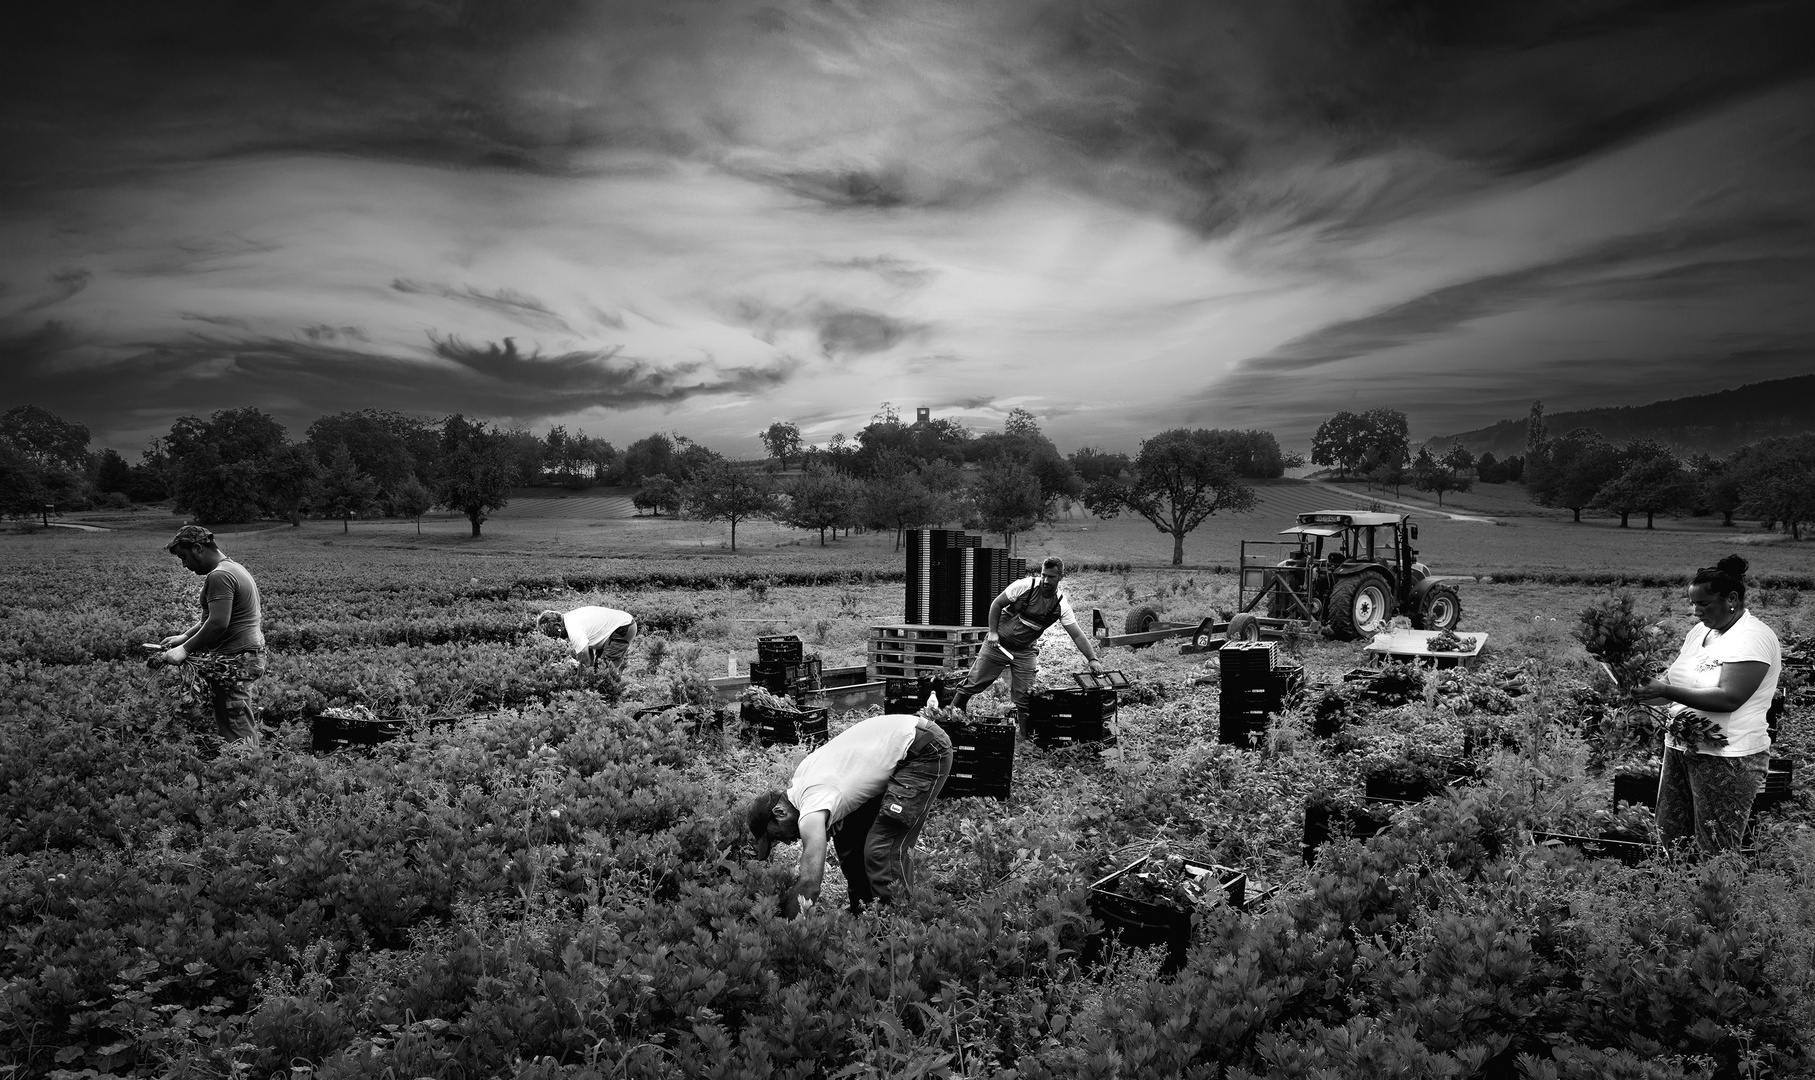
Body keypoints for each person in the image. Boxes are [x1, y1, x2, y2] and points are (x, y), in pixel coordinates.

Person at [1634, 555, 1781, 853]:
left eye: (1704, 604)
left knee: (1715, 849)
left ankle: (1717, 901)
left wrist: (1665, 689)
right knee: (1671, 841)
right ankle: (1676, 899)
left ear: (1731, 599)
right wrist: (1644, 692)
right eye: (1692, 603)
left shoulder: (1752, 637)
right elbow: (1677, 688)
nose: (1695, 611)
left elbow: (1729, 698)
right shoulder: (1700, 632)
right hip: (1681, 748)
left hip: (1728, 757)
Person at [748, 712, 953, 915]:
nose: (786, 842)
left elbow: (810, 883)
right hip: (901, 741)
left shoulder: (811, 807)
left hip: (923, 748)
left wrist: (786, 931)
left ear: (780, 812)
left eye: (776, 835)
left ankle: (895, 926)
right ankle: (863, 912)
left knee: (882, 847)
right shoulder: (802, 780)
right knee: (848, 837)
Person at [950, 556, 1106, 734]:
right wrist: (993, 632)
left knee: (1025, 696)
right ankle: (951, 721)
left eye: (1051, 577)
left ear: (1060, 577)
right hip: (998, 644)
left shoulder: (1061, 605)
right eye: (1043, 575)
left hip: (1025, 651)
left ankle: (1025, 740)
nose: (1046, 580)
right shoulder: (1024, 586)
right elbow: (997, 604)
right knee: (973, 683)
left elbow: (1077, 635)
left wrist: (1092, 659)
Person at [152, 526, 266, 745]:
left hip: (236, 659)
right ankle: (243, 765)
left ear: (197, 548)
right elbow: (212, 618)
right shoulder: (232, 568)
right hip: (243, 656)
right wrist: (185, 637)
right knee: (233, 717)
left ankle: (247, 769)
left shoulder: (220, 576)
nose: (184, 565)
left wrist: (184, 651)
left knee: (236, 722)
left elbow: (217, 624)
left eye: (184, 557)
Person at [537, 606, 638, 673]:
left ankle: (612, 695)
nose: (556, 638)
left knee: (606, 669)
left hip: (623, 627)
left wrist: (578, 682)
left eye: (553, 634)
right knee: (598, 668)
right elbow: (588, 656)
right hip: (614, 627)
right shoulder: (570, 619)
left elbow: (585, 660)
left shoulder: (573, 628)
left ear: (557, 625)